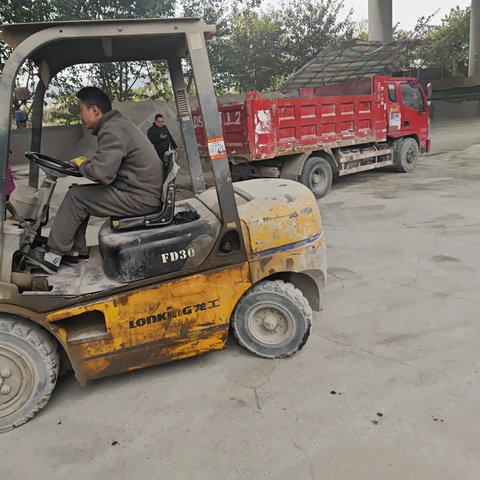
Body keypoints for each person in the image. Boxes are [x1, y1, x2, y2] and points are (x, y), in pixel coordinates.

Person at [26, 87, 164, 275]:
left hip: (139, 197)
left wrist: (83, 165)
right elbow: (106, 165)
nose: (80, 115)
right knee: (80, 194)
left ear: (95, 110)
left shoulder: (112, 130)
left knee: (76, 197)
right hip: (139, 191)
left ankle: (52, 256)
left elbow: (101, 173)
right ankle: (73, 250)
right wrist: (84, 164)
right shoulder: (118, 126)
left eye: (81, 110)